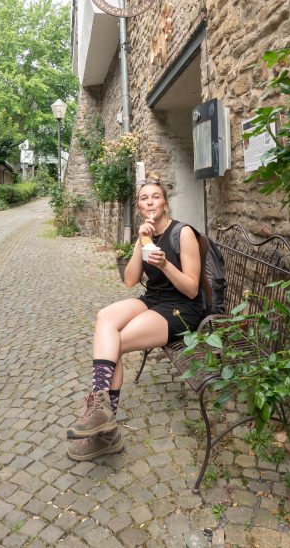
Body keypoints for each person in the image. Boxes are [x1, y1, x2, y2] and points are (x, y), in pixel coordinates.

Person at [66, 173, 205, 461]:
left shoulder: (184, 233)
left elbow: (192, 290)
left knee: (116, 342)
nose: (150, 201)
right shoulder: (145, 235)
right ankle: (102, 408)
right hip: (153, 300)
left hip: (180, 309)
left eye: (155, 196)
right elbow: (130, 280)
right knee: (106, 316)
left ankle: (105, 430)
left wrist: (165, 264)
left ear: (165, 204)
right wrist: (140, 243)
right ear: (139, 207)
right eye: (144, 198)